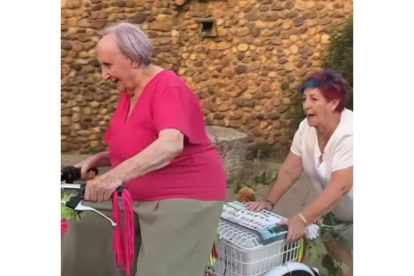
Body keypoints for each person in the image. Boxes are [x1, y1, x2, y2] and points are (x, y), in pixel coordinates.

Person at [61, 22, 227, 276]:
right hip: (136, 196)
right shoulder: (130, 92)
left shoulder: (168, 88)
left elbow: (170, 143)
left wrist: (113, 177)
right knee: (78, 215)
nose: (104, 75)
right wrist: (100, 159)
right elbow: (139, 144)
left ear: (134, 60)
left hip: (183, 198)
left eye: (108, 65)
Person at [247, 71, 353, 276]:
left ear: (333, 103)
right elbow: (290, 169)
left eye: (314, 99)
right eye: (304, 99)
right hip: (338, 212)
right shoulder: (306, 128)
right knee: (344, 267)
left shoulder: (351, 133)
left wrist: (302, 219)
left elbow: (341, 186)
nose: (306, 105)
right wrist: (269, 202)